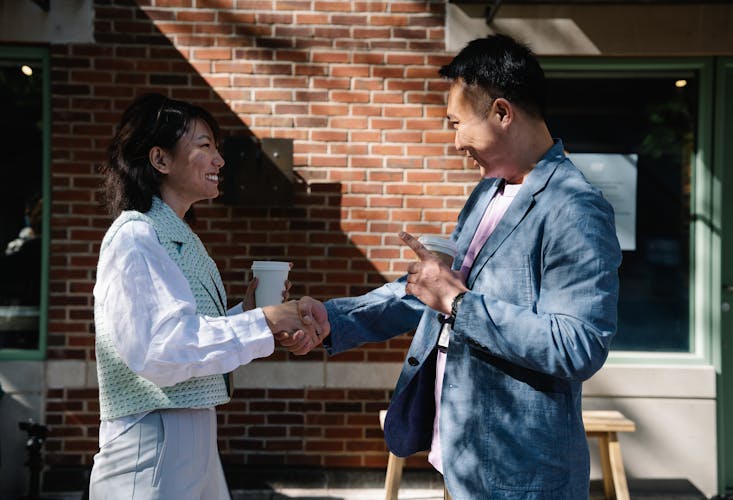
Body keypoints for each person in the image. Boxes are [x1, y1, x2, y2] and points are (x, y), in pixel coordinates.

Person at [323, 34, 621, 499]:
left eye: (458, 123)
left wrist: (459, 302)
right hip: (461, 457)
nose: (456, 140)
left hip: (522, 476)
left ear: (503, 113)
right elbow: (434, 291)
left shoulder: (575, 208)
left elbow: (577, 345)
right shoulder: (488, 190)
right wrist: (332, 320)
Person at [88, 93, 329, 499]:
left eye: (216, 149)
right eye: (204, 146)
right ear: (160, 160)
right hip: (152, 437)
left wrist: (256, 313)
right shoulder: (135, 236)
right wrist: (265, 321)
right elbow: (161, 349)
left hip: (190, 433)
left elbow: (186, 331)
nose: (219, 160)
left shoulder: (178, 237)